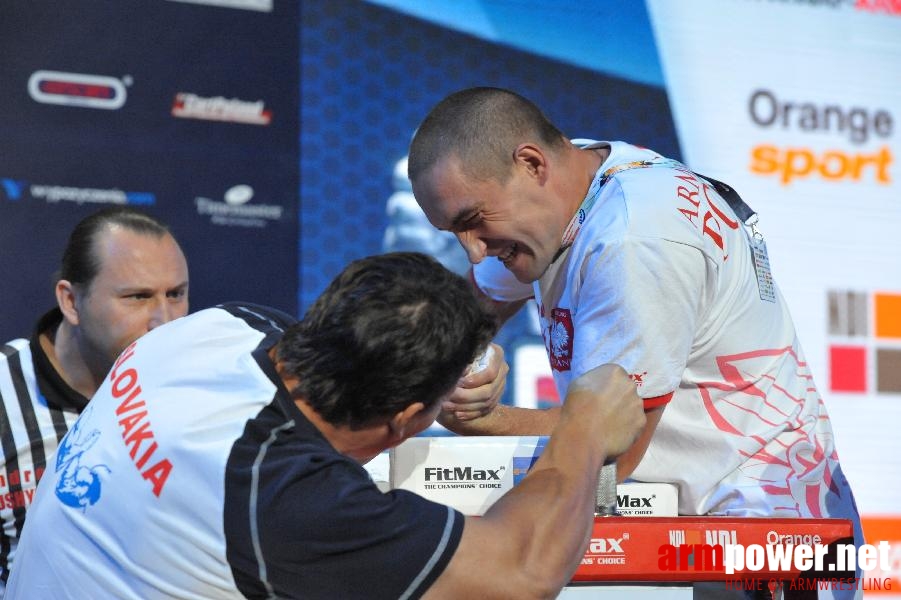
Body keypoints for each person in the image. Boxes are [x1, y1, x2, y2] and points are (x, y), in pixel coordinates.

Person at [408, 87, 863, 598]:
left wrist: (485, 420)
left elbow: (612, 445)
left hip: (765, 543)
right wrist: (465, 362)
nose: (473, 252)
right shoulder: (571, 182)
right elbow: (475, 309)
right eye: (454, 232)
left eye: (473, 222)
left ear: (532, 164)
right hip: (708, 534)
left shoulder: (634, 237)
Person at [6, 252, 645, 599]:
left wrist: (437, 378)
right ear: (404, 420)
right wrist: (582, 430)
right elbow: (525, 574)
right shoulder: (285, 500)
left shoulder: (220, 326)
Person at [0, 206, 189, 591]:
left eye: (176, 294)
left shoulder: (203, 392)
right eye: (138, 297)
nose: (165, 320)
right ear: (71, 301)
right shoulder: (5, 393)